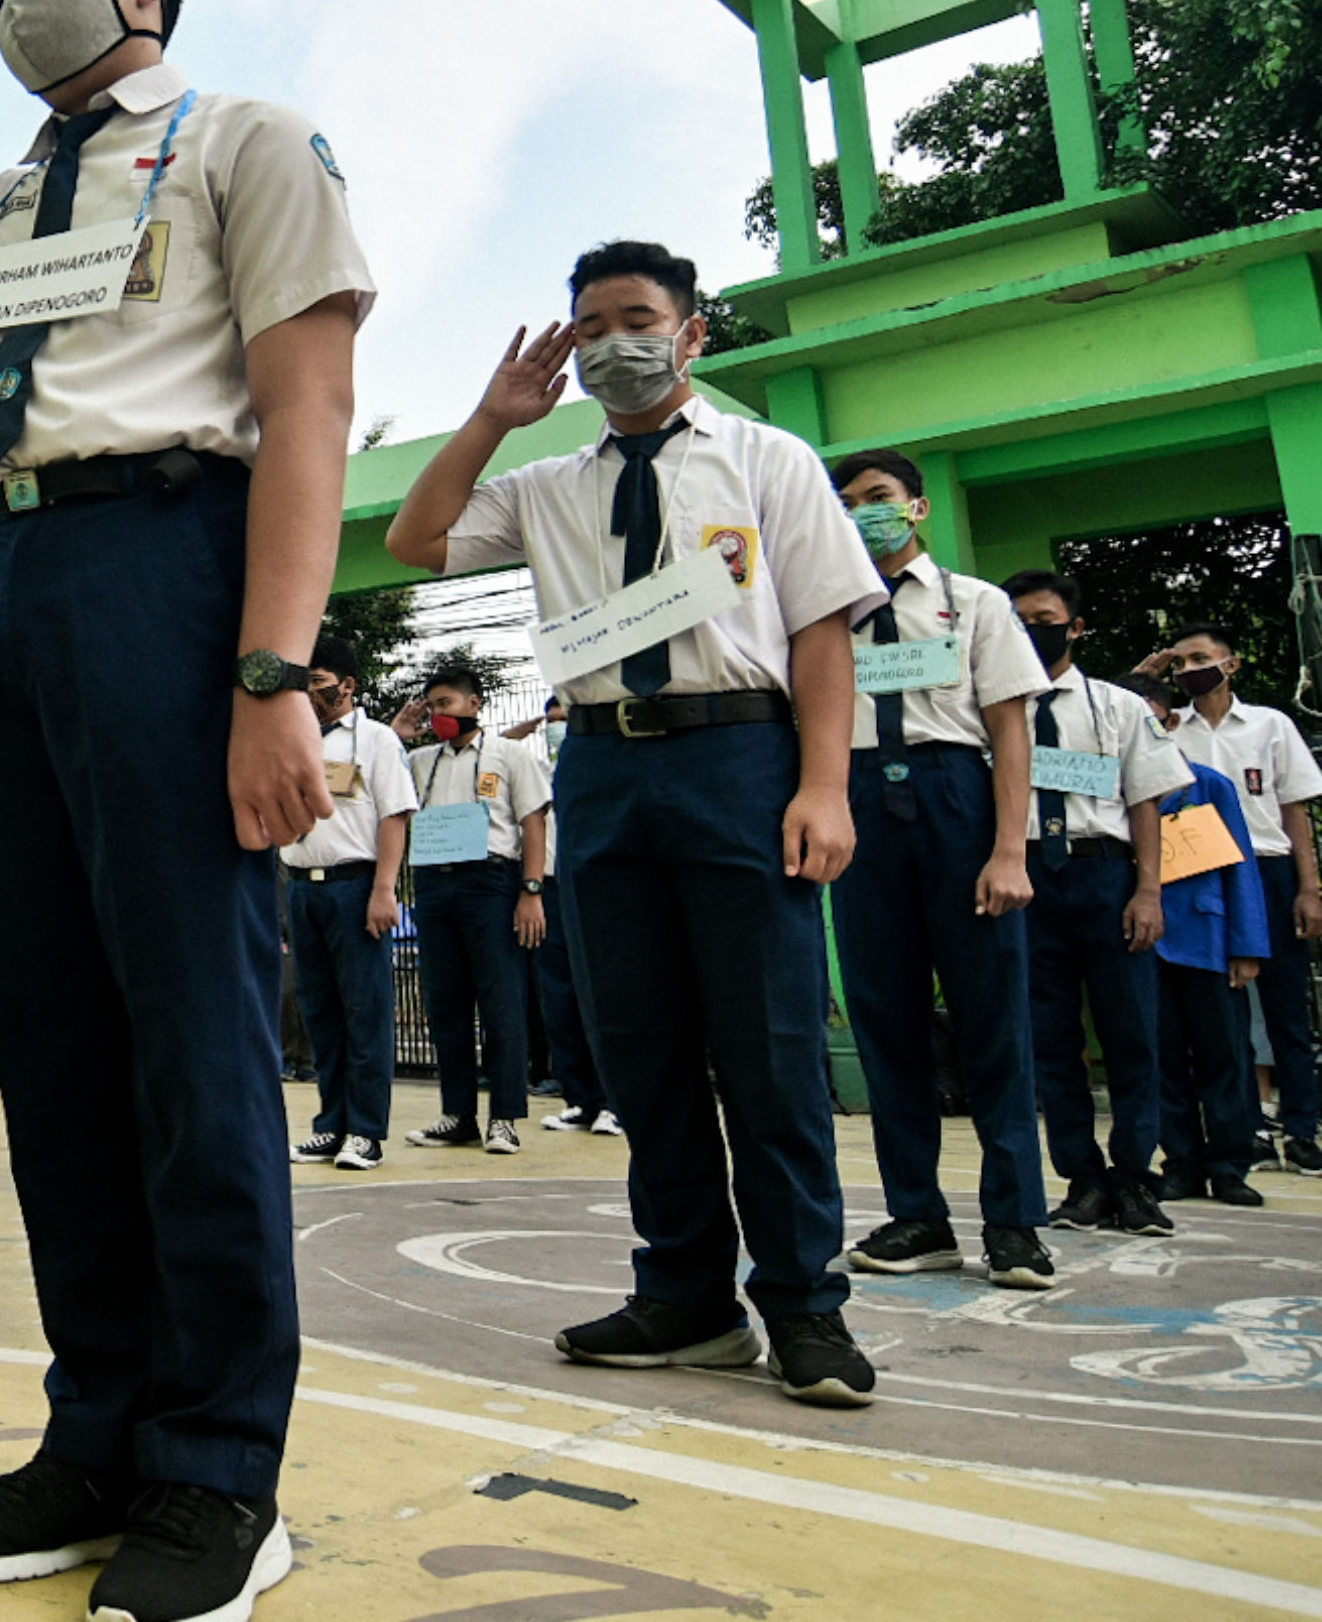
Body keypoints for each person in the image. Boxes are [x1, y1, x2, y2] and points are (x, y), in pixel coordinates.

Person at [0, 0, 370, 1615]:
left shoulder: (247, 141)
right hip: (18, 578)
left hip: (172, 563)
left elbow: (309, 410)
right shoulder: (8, 192)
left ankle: (224, 1472)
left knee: (189, 1040)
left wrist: (270, 674)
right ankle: (102, 1431)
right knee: (56, 1035)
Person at [386, 238, 884, 1408]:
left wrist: (824, 786)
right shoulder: (552, 484)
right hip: (605, 764)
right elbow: (417, 538)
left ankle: (807, 1304)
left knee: (767, 1049)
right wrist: (492, 420)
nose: (615, 342)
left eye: (638, 317)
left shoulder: (770, 459)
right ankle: (686, 1297)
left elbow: (821, 632)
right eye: (591, 323)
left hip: (740, 753)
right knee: (640, 1047)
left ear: (692, 331)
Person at [827, 449, 1055, 1290]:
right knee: (886, 1021)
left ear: (917, 509)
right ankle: (917, 1214)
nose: (862, 514)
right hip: (859, 809)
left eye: (878, 498)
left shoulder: (976, 604)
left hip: (955, 798)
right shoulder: (823, 615)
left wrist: (1007, 850)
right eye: (846, 503)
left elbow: (1010, 734)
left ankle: (1015, 1224)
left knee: (993, 1020)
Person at [998, 572, 1193, 1233]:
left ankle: (1136, 1175)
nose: (1031, 629)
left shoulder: (1118, 706)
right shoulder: (991, 710)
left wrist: (1148, 890)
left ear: (1075, 626)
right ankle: (1081, 1177)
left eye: (1044, 617)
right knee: (1050, 1039)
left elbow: (1145, 800)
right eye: (1018, 618)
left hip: (1104, 877)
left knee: (1132, 1031)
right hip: (1027, 879)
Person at [1145, 623, 1322, 1177]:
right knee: (1228, 1014)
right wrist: (1146, 679)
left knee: (1288, 1009)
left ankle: (1303, 1127)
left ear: (1231, 664)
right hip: (1204, 878)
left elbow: (1295, 809)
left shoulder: (1271, 725)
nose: (1189, 669)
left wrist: (1309, 886)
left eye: (1201, 658)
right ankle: (1248, 1128)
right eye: (1181, 663)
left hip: (1269, 871)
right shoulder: (1171, 733)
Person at [1120, 674, 1273, 1207]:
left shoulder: (1207, 784)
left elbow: (1241, 870)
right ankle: (1181, 1159)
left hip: (1207, 938)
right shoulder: (1110, 789)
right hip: (1143, 941)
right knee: (1159, 1055)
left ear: (1170, 721)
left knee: (1224, 1054)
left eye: (1152, 720)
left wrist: (1246, 944)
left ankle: (1231, 1162)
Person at [394, 665, 551, 1156]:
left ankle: (503, 1116)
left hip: (490, 882)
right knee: (446, 1002)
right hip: (434, 884)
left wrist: (531, 890)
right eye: (432, 706)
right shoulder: (421, 760)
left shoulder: (509, 754)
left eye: (446, 703)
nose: (439, 714)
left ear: (474, 703)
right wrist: (399, 733)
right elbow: (380, 779)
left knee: (500, 999)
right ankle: (457, 1113)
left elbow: (532, 822)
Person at [280, 637, 411, 1170]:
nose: (310, 693)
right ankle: (330, 1125)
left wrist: (385, 890)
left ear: (346, 686)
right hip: (300, 887)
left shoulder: (376, 740)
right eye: (304, 684)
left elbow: (395, 815)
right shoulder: (293, 742)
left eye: (317, 683)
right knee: (321, 1012)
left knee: (364, 1009)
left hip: (354, 886)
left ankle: (366, 1131)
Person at [504, 696, 618, 1138]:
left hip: (595, 884)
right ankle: (580, 1099)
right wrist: (534, 724)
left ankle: (613, 1101)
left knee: (601, 995)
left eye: (563, 721)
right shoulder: (534, 769)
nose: (557, 729)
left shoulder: (600, 764)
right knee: (558, 999)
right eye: (551, 722)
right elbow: (492, 744)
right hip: (548, 889)